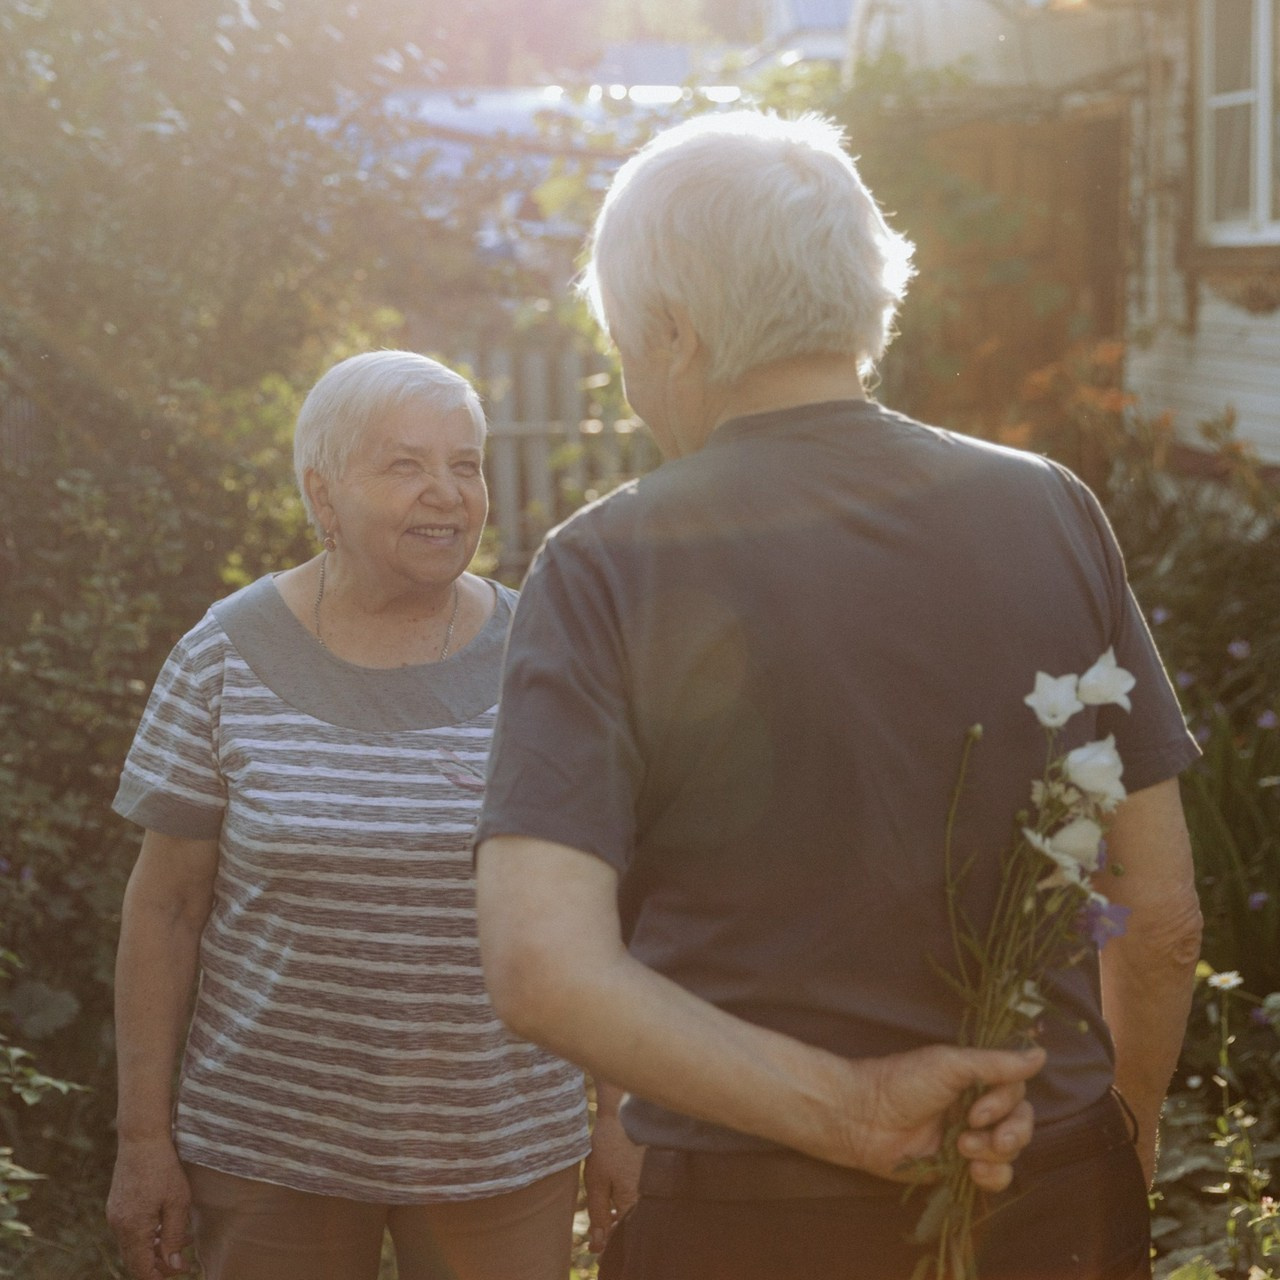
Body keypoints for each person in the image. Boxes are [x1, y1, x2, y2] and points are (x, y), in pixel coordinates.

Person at [473, 112, 1204, 1280]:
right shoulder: (1052, 507)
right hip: (1048, 1188)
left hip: (746, 1222)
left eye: (622, 341)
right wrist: (1117, 1137)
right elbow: (1157, 916)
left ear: (673, 330)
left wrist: (854, 1110)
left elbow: (540, 964)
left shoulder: (604, 559)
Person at [106, 350, 638, 1280]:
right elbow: (166, 910)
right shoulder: (221, 658)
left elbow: (607, 905)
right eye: (404, 466)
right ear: (323, 492)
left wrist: (620, 1113)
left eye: (464, 464)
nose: (446, 493)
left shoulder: (545, 655)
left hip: (501, 1147)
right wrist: (143, 1137)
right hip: (270, 1149)